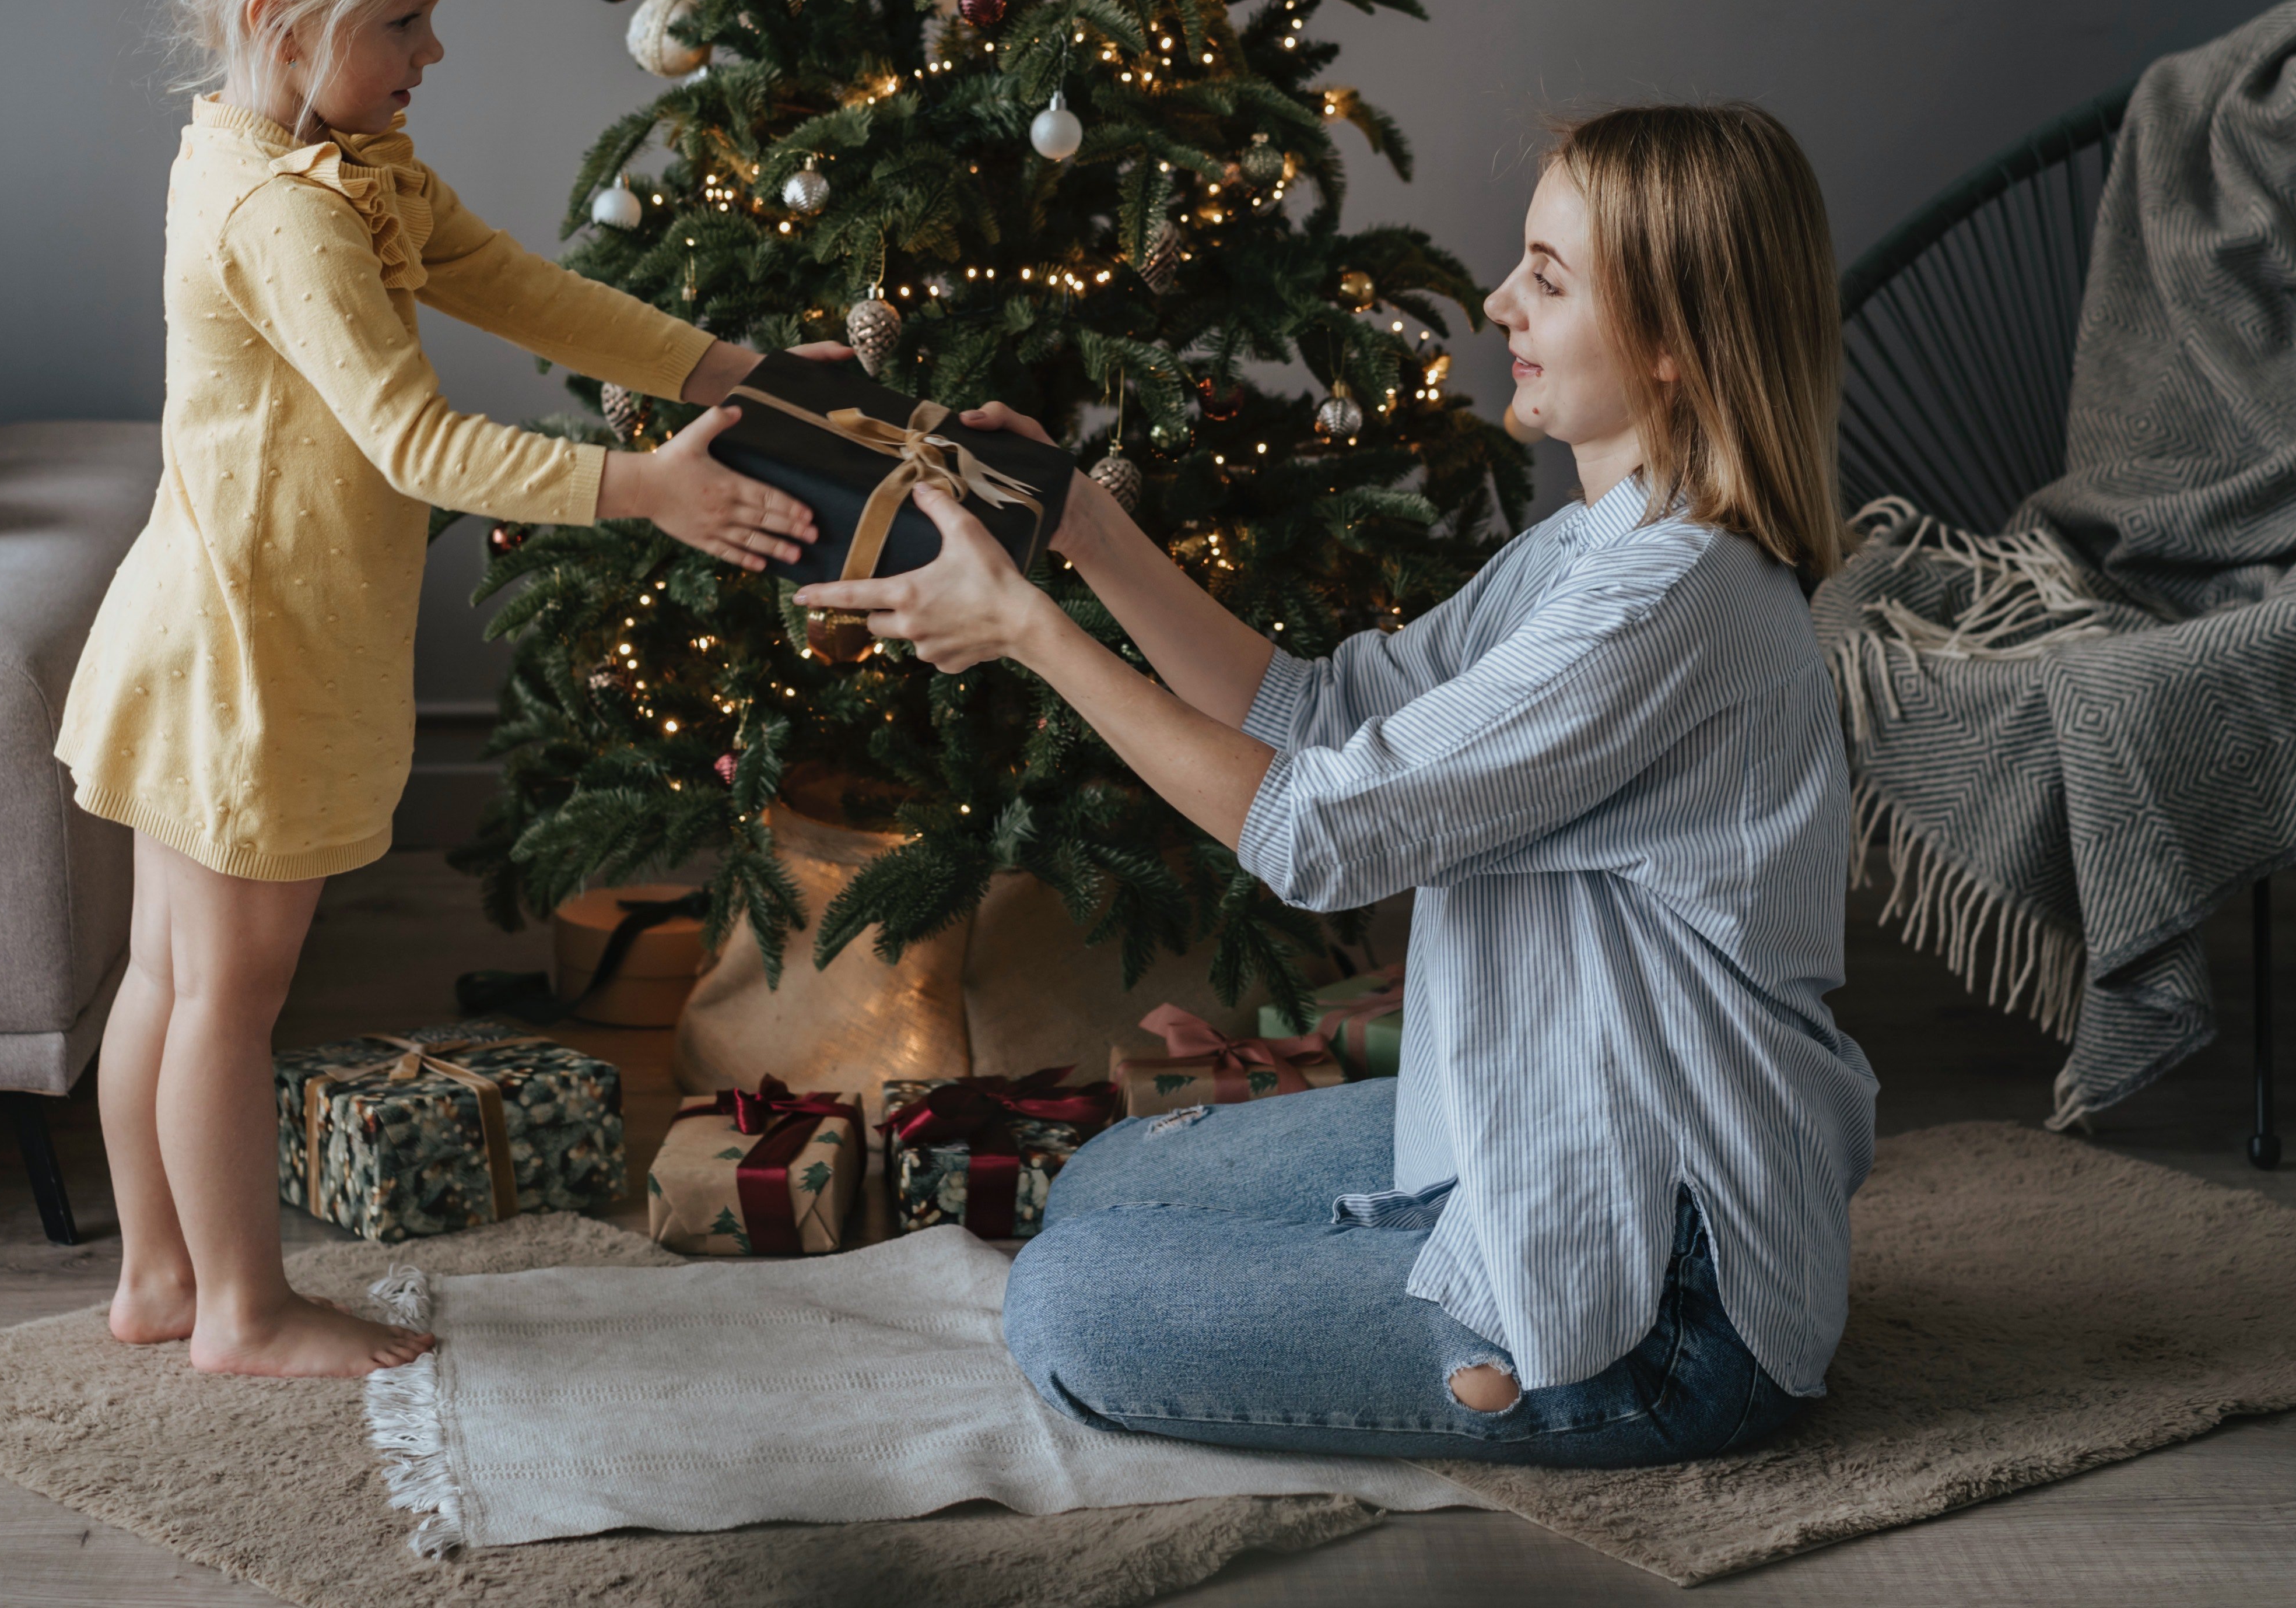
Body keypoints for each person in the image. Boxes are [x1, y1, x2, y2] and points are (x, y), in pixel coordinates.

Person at [797, 103, 1878, 1465]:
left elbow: (1317, 833)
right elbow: (1321, 709)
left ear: (1675, 344)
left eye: (1547, 278)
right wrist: (1083, 522)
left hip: (1664, 1299)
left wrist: (1027, 628)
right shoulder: (1599, 547)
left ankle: (1537, 1345)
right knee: (1116, 1179)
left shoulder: (1672, 598)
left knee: (1065, 1305)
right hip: (1544, 1117)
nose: (1500, 302)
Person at [54, 0, 819, 1377]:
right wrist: (646, 490)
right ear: (282, 23)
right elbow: (419, 442)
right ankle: (244, 1314)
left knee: (169, 976)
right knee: (226, 1000)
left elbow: (514, 284)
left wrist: (727, 374)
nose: (433, 47)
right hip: (251, 653)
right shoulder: (292, 216)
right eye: (401, 21)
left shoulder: (320, 156)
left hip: (206, 626)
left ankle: (158, 1283)